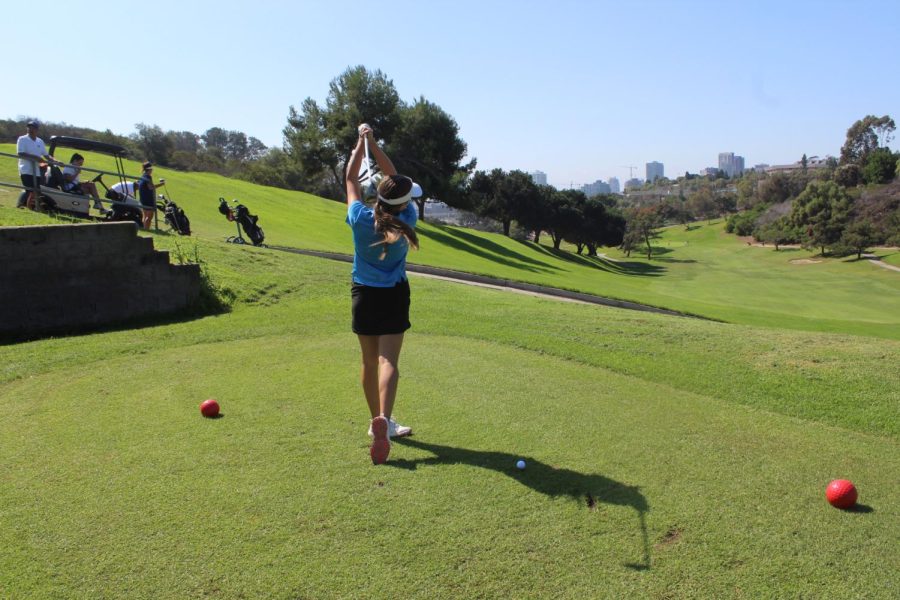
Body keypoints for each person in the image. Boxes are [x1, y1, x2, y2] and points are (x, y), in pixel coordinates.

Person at [345, 123, 420, 465]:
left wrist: (362, 144)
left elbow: (350, 179)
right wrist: (375, 141)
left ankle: (376, 419)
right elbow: (394, 177)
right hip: (393, 295)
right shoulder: (409, 217)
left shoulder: (360, 216)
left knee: (367, 360)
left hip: (364, 294)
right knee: (389, 361)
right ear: (404, 201)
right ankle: (385, 422)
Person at [16, 120, 57, 209]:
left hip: (36, 171)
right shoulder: (22, 139)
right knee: (30, 190)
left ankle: (29, 207)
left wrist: (56, 161)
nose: (30, 129)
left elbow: (46, 155)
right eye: (29, 127)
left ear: (37, 130)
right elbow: (20, 153)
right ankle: (27, 207)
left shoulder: (40, 141)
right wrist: (36, 158)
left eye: (33, 128)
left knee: (37, 190)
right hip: (25, 169)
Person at [137, 162, 165, 229]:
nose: (152, 170)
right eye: (151, 169)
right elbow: (151, 187)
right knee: (149, 217)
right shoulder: (148, 177)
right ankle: (146, 229)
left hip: (143, 199)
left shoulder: (142, 176)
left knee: (145, 215)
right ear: (149, 169)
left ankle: (143, 228)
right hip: (148, 200)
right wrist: (161, 184)